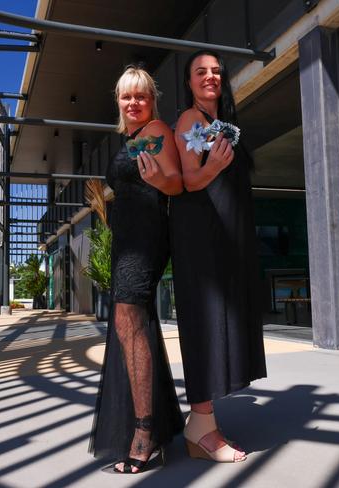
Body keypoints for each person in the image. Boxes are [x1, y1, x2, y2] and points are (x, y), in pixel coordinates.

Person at [170, 50, 267, 463]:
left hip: (227, 236)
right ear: (190, 82)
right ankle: (202, 428)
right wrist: (212, 167)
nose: (210, 77)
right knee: (207, 321)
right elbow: (190, 179)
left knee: (222, 319)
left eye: (215, 71)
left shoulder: (221, 123)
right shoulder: (191, 120)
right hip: (203, 236)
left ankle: (204, 424)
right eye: (200, 72)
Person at [89, 66, 184, 473]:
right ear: (119, 102)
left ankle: (145, 431)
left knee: (129, 321)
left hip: (145, 241)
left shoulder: (157, 129)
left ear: (152, 100)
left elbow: (175, 183)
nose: (133, 103)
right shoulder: (130, 139)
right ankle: (150, 422)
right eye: (127, 97)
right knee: (130, 326)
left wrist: (158, 177)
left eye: (140, 96)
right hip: (126, 240)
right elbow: (131, 186)